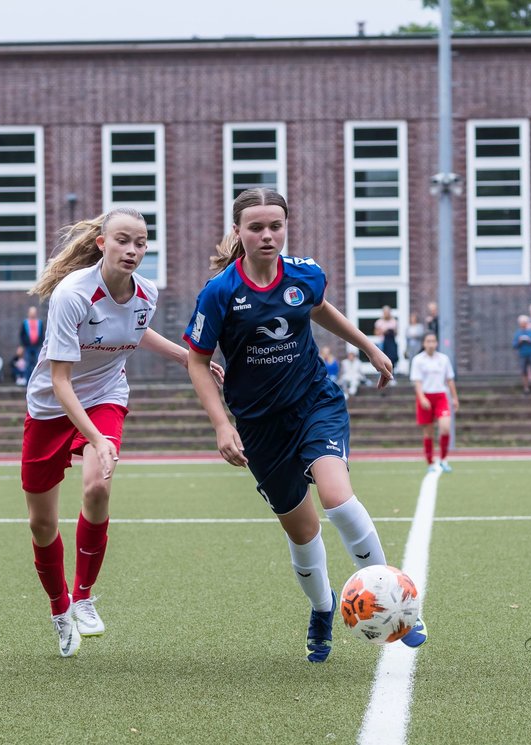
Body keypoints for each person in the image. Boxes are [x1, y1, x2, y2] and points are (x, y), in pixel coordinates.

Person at [184, 187, 424, 663]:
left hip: (314, 403)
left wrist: (369, 347)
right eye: (256, 227)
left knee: (338, 498)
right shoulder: (220, 294)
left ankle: (396, 608)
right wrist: (221, 425)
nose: (267, 235)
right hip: (259, 426)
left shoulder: (305, 273)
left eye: (276, 225)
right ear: (239, 232)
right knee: (303, 532)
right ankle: (322, 608)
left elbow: (316, 308)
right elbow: (197, 360)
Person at [22, 207, 221, 658]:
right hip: (53, 405)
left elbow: (138, 328)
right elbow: (60, 381)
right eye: (123, 240)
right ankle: (59, 610)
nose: (133, 250)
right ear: (102, 243)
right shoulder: (73, 295)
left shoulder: (146, 292)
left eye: (141, 242)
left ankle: (85, 595)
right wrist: (92, 436)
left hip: (107, 396)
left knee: (97, 487)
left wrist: (190, 357)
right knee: (41, 523)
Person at [410, 332, 459, 473]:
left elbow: (450, 379)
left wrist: (455, 398)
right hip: (425, 396)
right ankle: (430, 462)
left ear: (437, 343)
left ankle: (443, 460)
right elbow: (417, 382)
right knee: (428, 432)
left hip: (441, 396)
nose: (431, 344)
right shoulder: (418, 360)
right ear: (424, 343)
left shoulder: (443, 359)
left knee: (445, 427)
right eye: (428, 341)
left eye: (433, 341)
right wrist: (422, 398)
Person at [513, 315, 531, 395]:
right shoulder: (517, 333)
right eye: (522, 323)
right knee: (524, 372)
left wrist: (529, 340)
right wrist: (519, 342)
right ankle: (526, 388)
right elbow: (514, 345)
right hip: (523, 354)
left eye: (524, 322)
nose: (523, 324)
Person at [373, 305, 400, 383]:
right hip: (382, 343)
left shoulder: (394, 321)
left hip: (391, 343)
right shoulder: (379, 322)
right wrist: (383, 331)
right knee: (381, 359)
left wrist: (391, 331)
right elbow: (376, 332)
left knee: (392, 358)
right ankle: (382, 375)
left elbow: (396, 333)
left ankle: (391, 376)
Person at [19, 306, 45, 383]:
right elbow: (22, 335)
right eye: (31, 312)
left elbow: (42, 334)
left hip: (37, 347)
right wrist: (23, 344)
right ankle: (27, 382)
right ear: (29, 313)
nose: (32, 314)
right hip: (28, 347)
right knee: (27, 364)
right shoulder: (25, 323)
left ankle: (36, 382)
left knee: (37, 364)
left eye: (34, 312)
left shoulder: (39, 322)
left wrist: (40, 343)